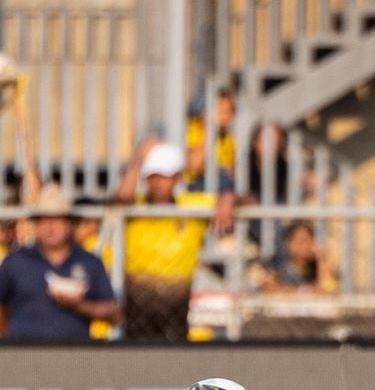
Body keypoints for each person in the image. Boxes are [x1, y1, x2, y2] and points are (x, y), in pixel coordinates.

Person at [110, 138, 216, 340]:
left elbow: (243, 200)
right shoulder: (135, 208)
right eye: (153, 177)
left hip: (176, 314)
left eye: (164, 177)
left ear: (177, 178)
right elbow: (121, 199)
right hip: (135, 315)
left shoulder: (192, 207)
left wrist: (228, 199)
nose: (158, 183)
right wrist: (138, 158)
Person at [0, 184, 119, 340]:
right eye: (44, 220)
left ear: (69, 223)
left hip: (74, 352)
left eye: (57, 219)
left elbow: (115, 314)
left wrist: (80, 306)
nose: (50, 226)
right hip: (24, 350)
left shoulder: (89, 262)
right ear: (35, 225)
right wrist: (7, 341)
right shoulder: (16, 261)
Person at [259, 220, 338, 293]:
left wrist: (321, 258)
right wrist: (305, 291)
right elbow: (268, 289)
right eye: (299, 241)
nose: (303, 246)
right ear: (288, 243)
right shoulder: (274, 263)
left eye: (307, 240)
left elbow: (328, 289)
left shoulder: (317, 265)